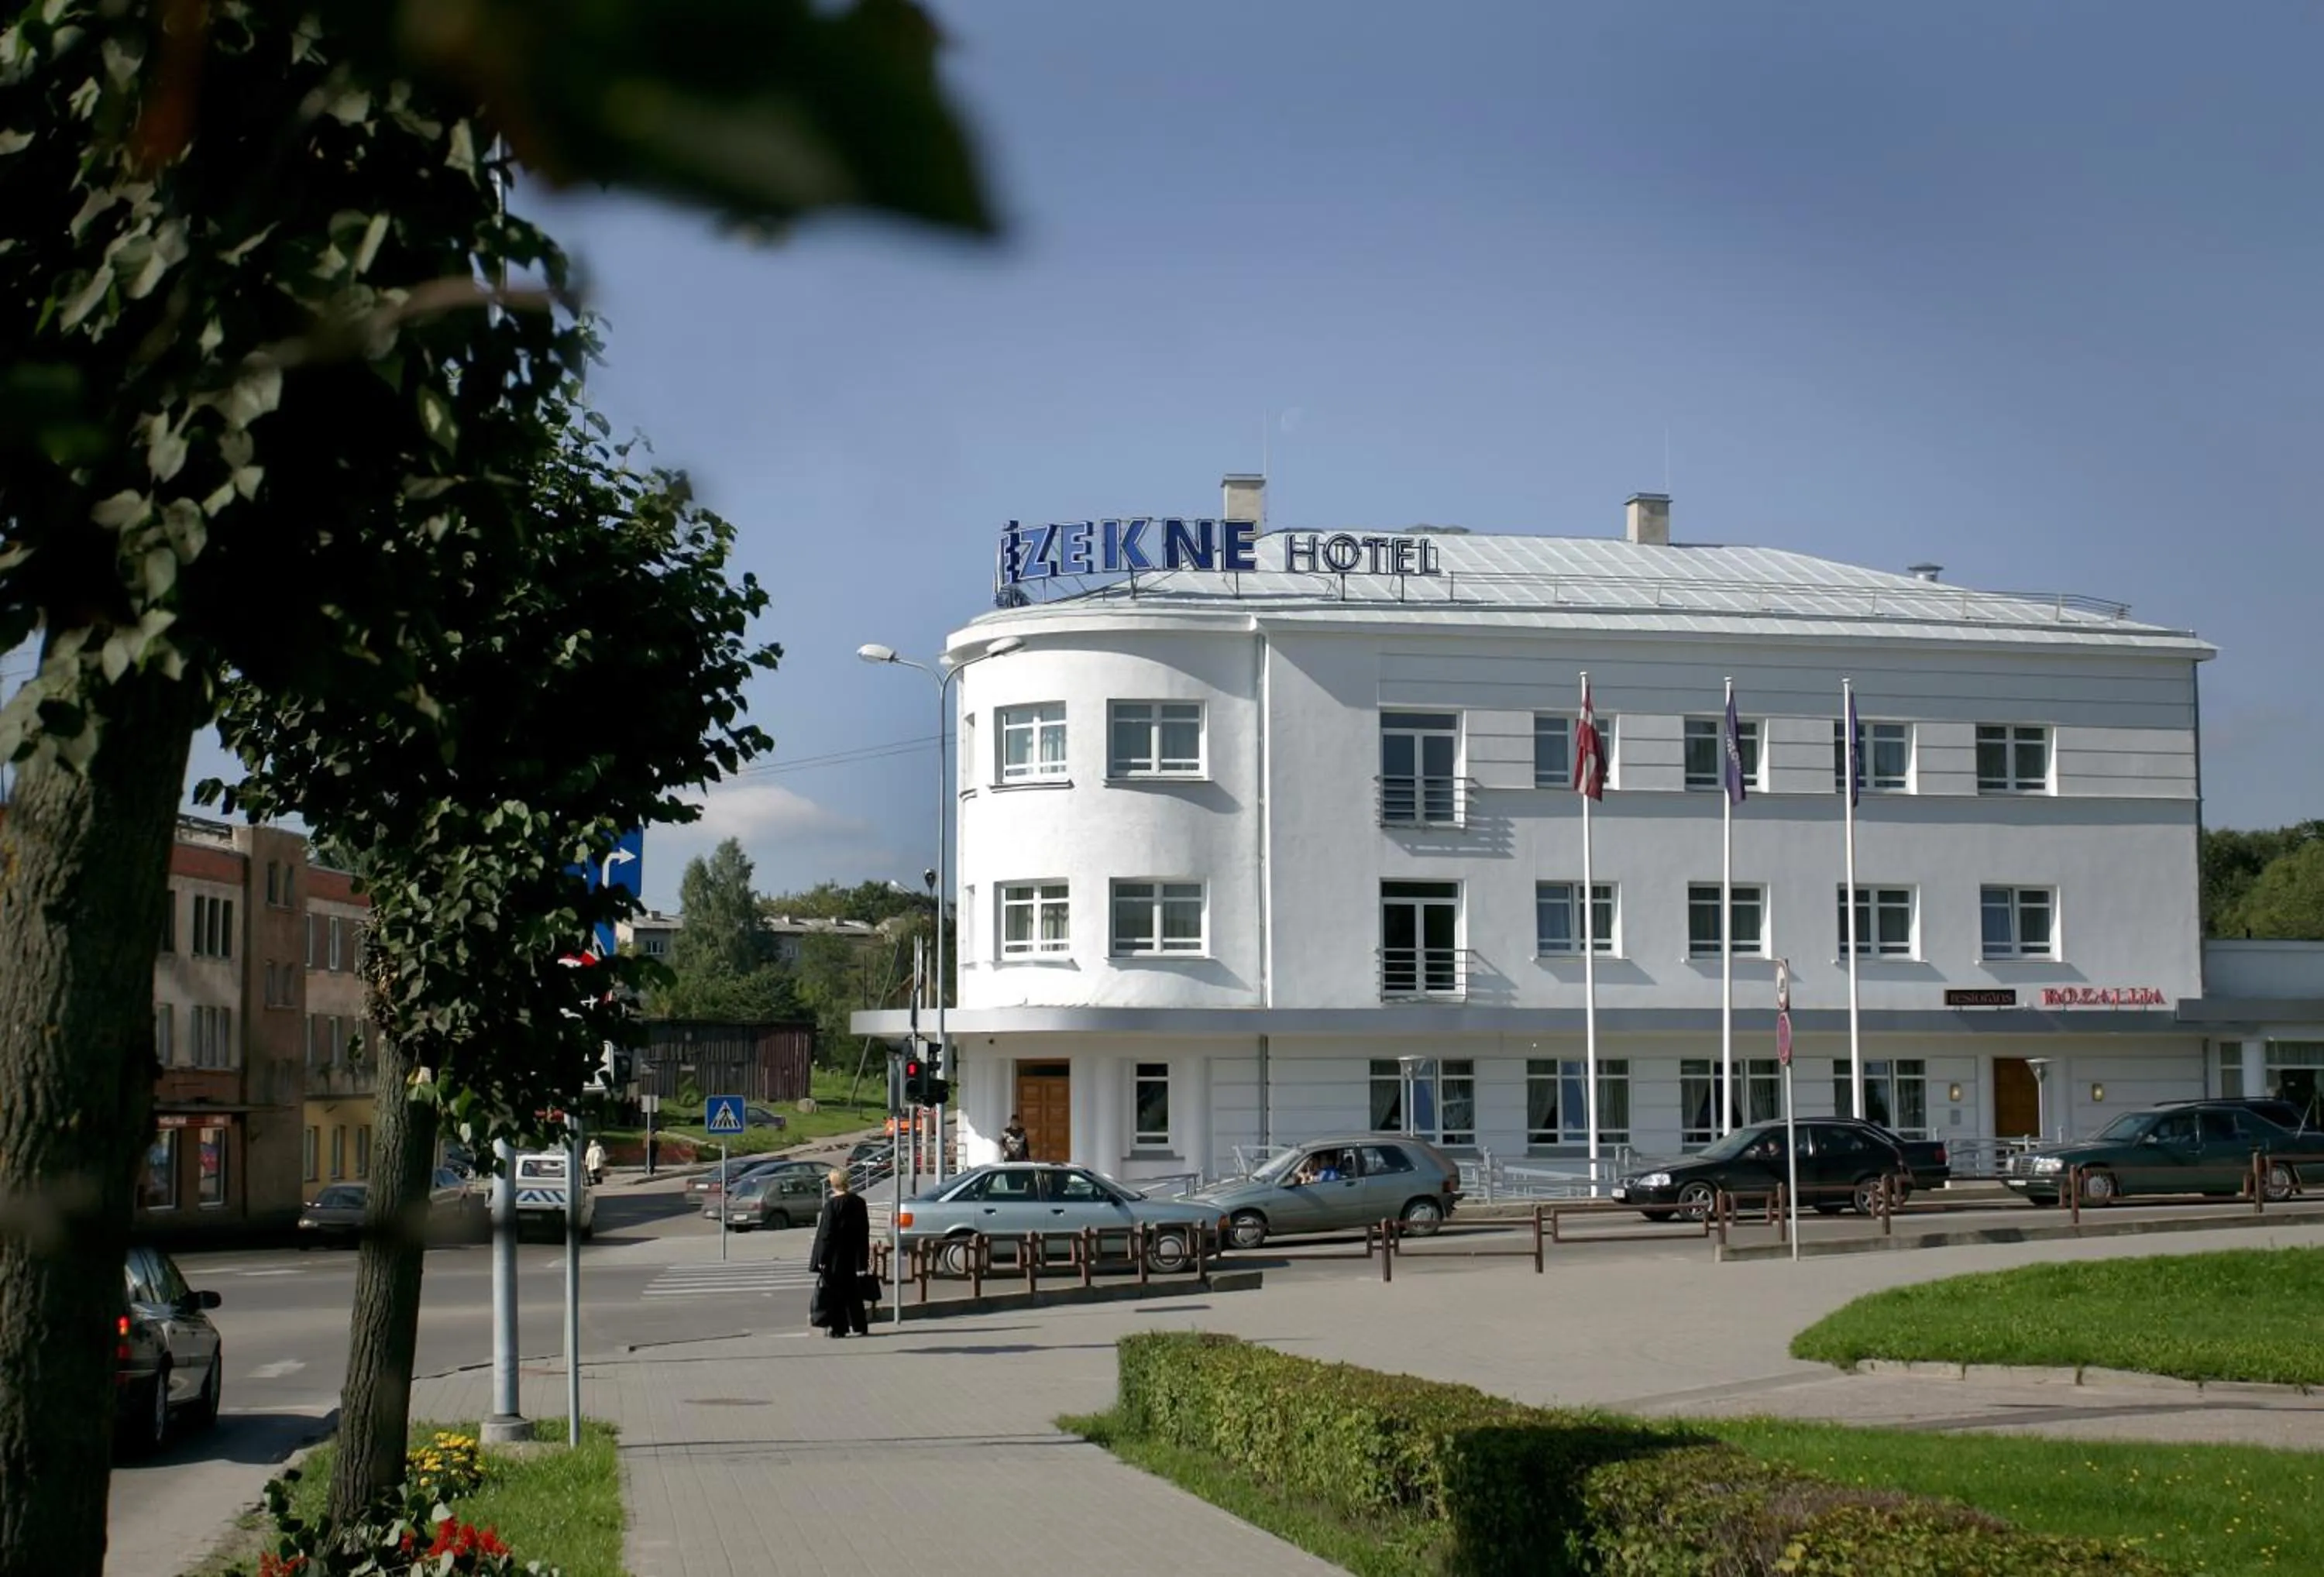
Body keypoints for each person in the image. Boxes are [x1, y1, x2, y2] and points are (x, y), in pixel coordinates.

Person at [809, 1167, 872, 1338]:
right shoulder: (859, 1202)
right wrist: (863, 1257)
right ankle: (860, 1325)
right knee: (853, 1292)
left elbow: (826, 1234)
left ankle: (839, 1328)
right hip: (854, 1253)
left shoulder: (832, 1205)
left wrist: (821, 1258)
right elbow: (864, 1230)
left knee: (835, 1293)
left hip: (835, 1256)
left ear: (833, 1183)